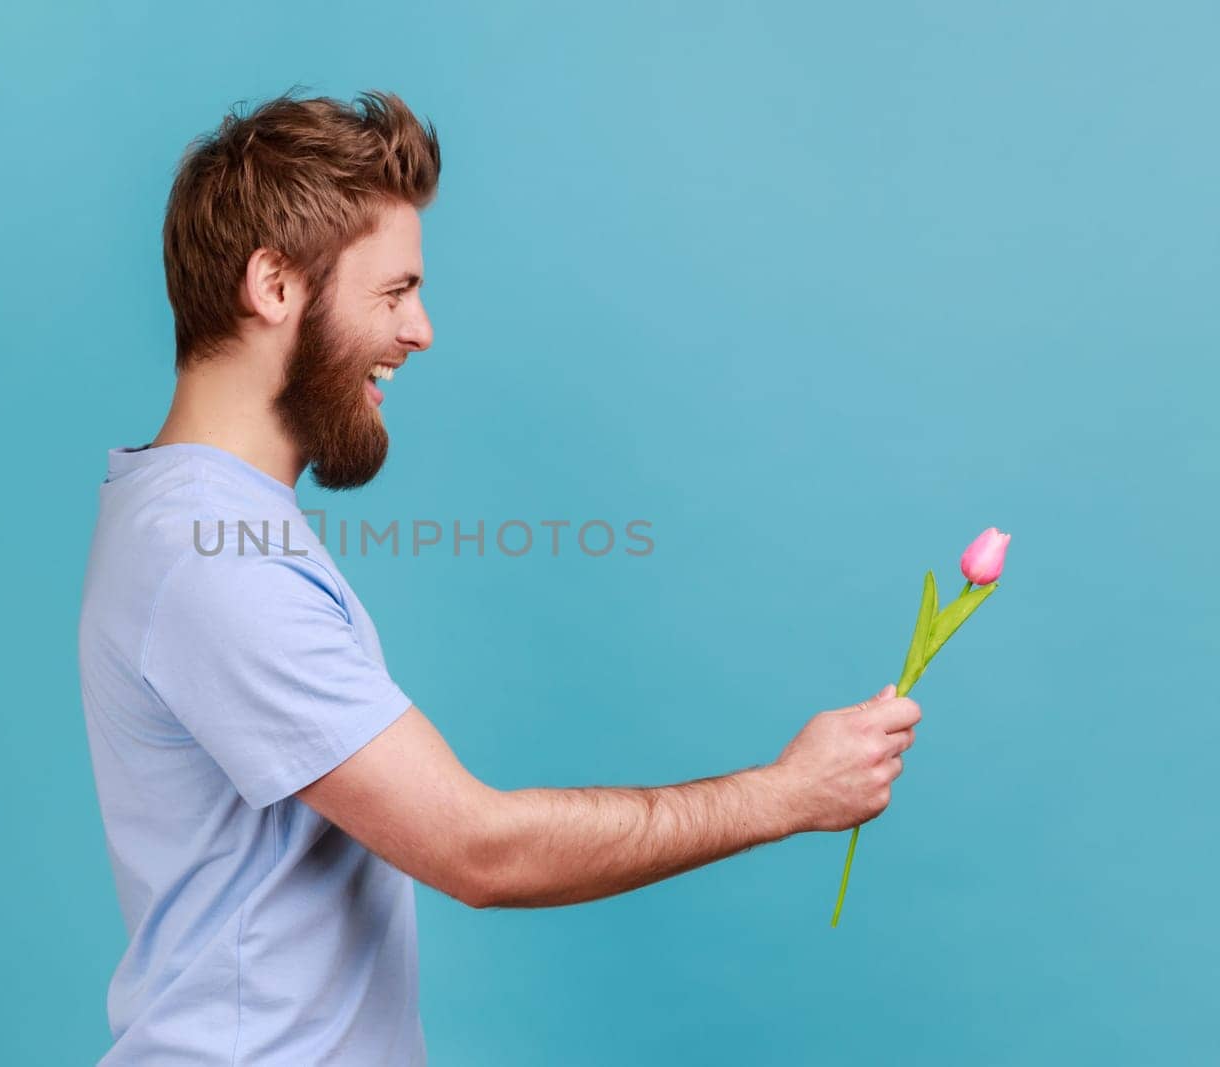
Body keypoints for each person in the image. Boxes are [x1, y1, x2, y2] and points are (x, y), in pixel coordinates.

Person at [77, 88, 921, 1066]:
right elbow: (478, 848)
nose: (421, 328)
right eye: (393, 292)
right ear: (275, 285)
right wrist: (789, 792)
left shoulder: (210, 523)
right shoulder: (211, 551)